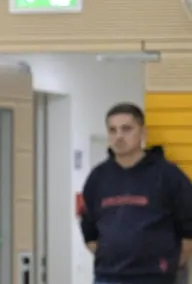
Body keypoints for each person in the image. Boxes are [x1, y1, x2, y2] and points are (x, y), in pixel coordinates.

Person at [79, 102, 192, 284]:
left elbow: (188, 228)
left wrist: (170, 264)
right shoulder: (97, 177)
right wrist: (108, 258)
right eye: (113, 130)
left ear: (143, 132)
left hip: (155, 277)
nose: (119, 136)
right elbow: (89, 228)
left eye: (126, 129)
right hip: (107, 277)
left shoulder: (168, 175)